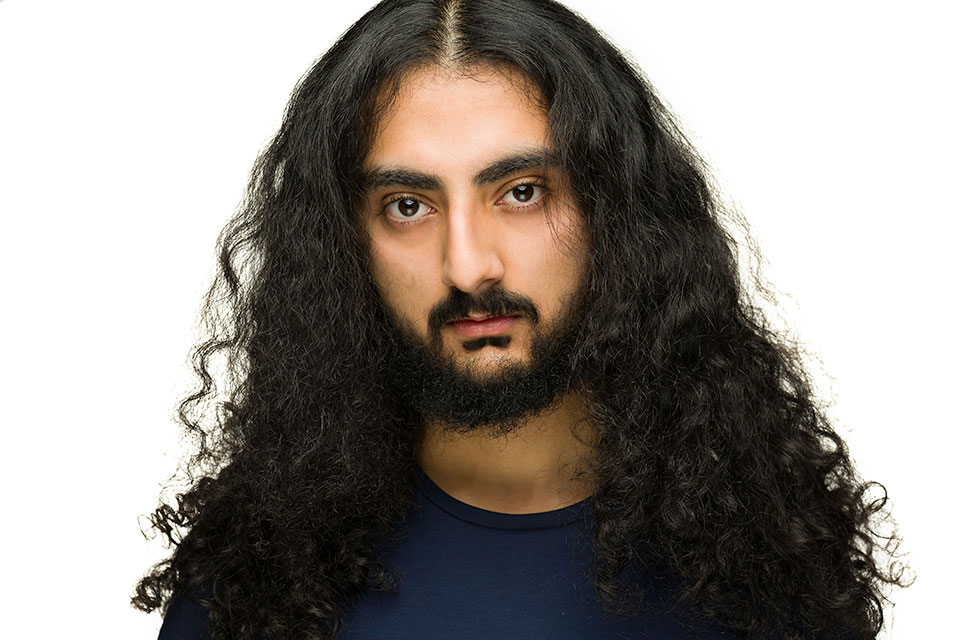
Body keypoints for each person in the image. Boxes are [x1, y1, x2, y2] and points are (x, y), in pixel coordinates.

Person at [132, 0, 911, 638]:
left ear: (616, 214)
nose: (470, 266)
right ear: (344, 249)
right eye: (408, 207)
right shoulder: (252, 588)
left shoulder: (768, 560)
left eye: (522, 191)